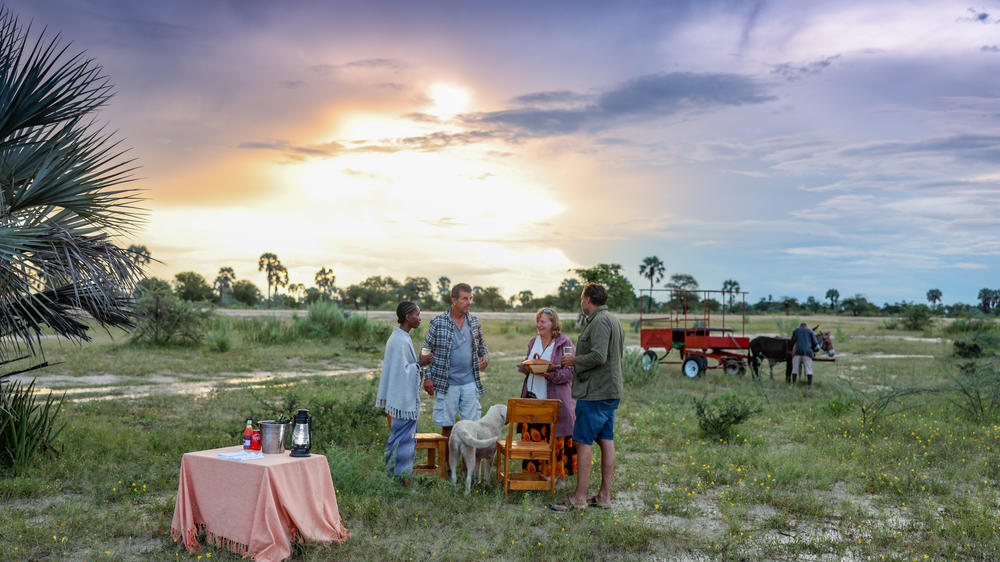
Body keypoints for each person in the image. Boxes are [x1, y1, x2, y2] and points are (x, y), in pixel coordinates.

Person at [551, 283, 624, 511]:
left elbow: (599, 356)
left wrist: (574, 361)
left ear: (587, 300)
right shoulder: (613, 318)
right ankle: (603, 497)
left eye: (582, 299)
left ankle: (579, 498)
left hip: (596, 392)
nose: (581, 303)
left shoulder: (600, 321)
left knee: (582, 441)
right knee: (606, 440)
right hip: (608, 391)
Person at [515, 307, 577, 480]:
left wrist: (549, 374)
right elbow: (529, 362)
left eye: (543, 321)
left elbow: (570, 372)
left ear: (553, 324)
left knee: (554, 438)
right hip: (532, 398)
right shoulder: (533, 341)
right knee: (533, 435)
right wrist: (527, 367)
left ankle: (555, 477)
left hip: (553, 401)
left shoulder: (564, 343)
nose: (539, 324)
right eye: (538, 321)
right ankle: (533, 476)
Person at [421, 283, 489, 438]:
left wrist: (485, 357)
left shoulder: (474, 322)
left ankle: (468, 463)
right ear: (453, 299)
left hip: (470, 383)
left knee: (471, 428)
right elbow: (426, 350)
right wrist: (428, 377)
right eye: (465, 298)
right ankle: (446, 463)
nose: (469, 302)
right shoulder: (439, 322)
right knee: (447, 428)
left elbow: (481, 345)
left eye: (470, 298)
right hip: (447, 383)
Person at [376, 301, 433, 484]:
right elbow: (403, 372)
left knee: (400, 440)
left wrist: (417, 365)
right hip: (402, 402)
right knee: (402, 442)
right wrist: (421, 364)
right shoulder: (400, 340)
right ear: (408, 317)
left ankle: (397, 477)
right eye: (417, 314)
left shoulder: (401, 337)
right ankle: (400, 479)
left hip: (400, 400)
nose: (419, 318)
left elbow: (404, 369)